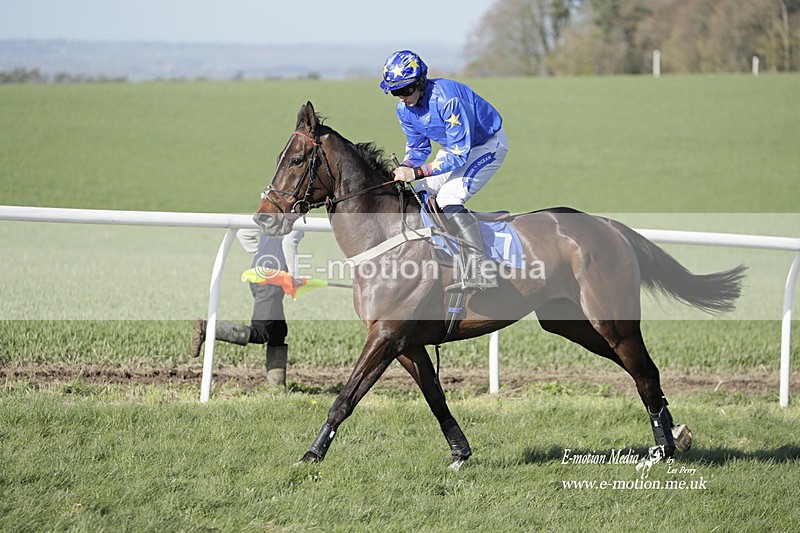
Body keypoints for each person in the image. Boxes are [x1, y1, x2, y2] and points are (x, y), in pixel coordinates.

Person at [380, 49, 508, 291]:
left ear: (420, 82)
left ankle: (481, 269)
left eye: (405, 90)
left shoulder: (447, 100)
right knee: (418, 190)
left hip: (486, 146)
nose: (401, 97)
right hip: (456, 148)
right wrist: (407, 166)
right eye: (394, 92)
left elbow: (460, 154)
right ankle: (441, 250)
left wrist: (417, 172)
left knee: (450, 197)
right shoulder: (403, 110)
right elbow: (418, 149)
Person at [189, 229, 304, 388]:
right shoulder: (297, 217)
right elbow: (288, 243)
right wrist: (294, 276)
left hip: (258, 276)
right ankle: (208, 328)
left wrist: (259, 254)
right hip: (271, 281)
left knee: (278, 331)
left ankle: (277, 388)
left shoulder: (272, 211)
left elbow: (243, 232)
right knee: (261, 332)